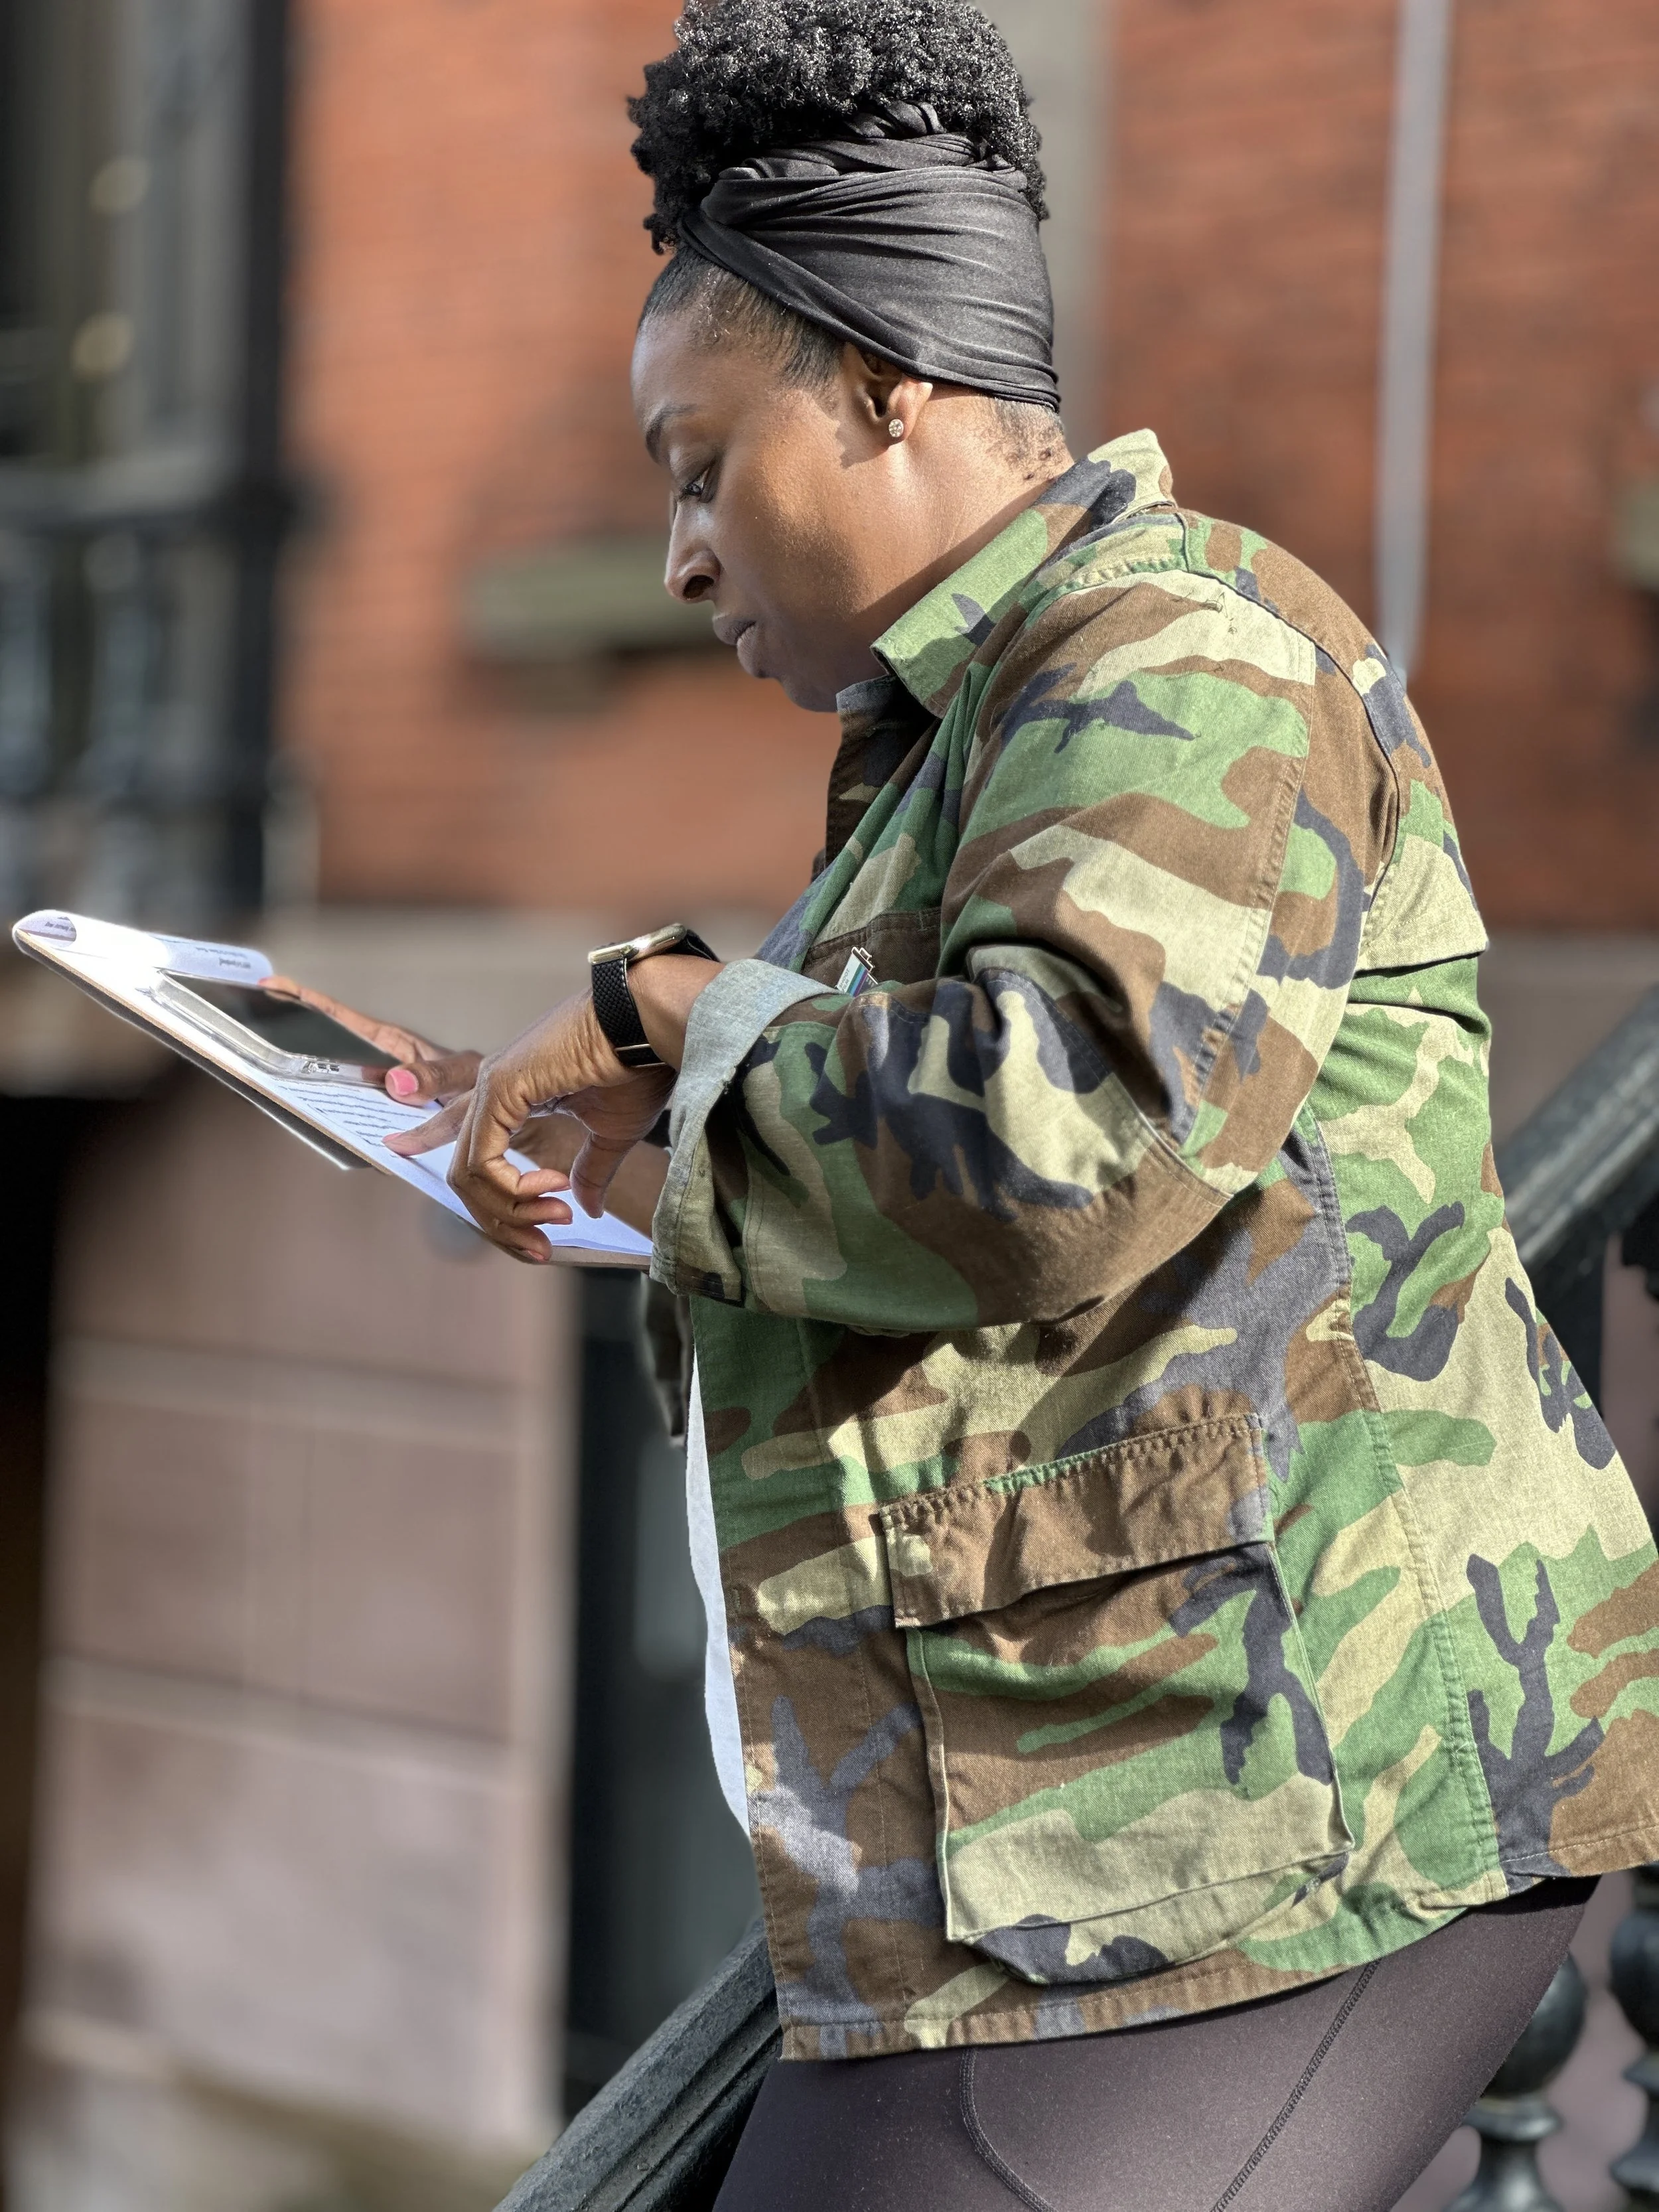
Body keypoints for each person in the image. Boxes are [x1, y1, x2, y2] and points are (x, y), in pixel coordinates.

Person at [323, 4, 1659, 2204]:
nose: (676, 554)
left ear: (885, 388)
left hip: (1290, 1815)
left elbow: (1069, 1132)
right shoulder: (970, 733)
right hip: (1068, 1826)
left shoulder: (1183, 651)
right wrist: (658, 1164)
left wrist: (669, 1016)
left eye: (693, 466)